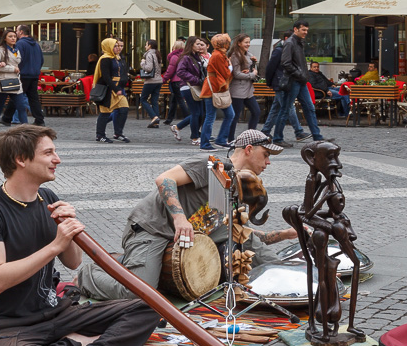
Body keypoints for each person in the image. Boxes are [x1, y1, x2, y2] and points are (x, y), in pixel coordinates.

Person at [0, 124, 159, 346]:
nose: (57, 159)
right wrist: (55, 245)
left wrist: (68, 226)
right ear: (21, 160)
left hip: (53, 314)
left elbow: (73, 262)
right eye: (48, 153)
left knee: (149, 305)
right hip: (3, 325)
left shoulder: (47, 197)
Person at [78, 129, 297, 302]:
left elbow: (237, 229)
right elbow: (164, 179)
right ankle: (88, 275)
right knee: (138, 293)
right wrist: (180, 218)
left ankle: (283, 279)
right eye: (266, 154)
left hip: (187, 237)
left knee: (241, 236)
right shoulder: (213, 165)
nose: (268, 162)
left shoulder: (238, 187)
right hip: (153, 229)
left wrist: (285, 234)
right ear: (248, 149)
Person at [278, 20, 325, 143]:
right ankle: (277, 137)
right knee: (285, 109)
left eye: (307, 30)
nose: (305, 32)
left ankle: (317, 136)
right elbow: (286, 63)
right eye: (303, 30)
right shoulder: (290, 43)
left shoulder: (298, 43)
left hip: (300, 80)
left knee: (309, 108)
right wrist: (299, 74)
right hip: (294, 80)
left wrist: (302, 76)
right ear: (295, 29)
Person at [261, 30, 308, 147]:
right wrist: (269, 82)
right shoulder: (279, 51)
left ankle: (265, 131)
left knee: (276, 108)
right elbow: (270, 67)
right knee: (288, 107)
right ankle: (298, 132)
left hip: (286, 83)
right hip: (281, 84)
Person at [200, 33, 236, 151]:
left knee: (223, 115)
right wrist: (230, 67)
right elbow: (225, 73)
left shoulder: (218, 54)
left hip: (213, 88)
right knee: (211, 117)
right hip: (214, 88)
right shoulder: (219, 56)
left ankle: (220, 139)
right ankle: (206, 143)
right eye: (227, 42)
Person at [91, 37, 131, 143]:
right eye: (115, 46)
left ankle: (118, 133)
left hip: (117, 88)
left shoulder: (117, 58)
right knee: (105, 112)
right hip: (108, 88)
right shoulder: (105, 59)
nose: (117, 48)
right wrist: (115, 88)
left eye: (118, 46)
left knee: (124, 108)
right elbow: (106, 77)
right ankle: (100, 135)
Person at [173, 36, 208, 145]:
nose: (200, 46)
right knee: (196, 113)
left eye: (201, 44)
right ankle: (194, 137)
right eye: (197, 44)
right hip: (188, 87)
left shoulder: (198, 57)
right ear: (191, 45)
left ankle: (178, 127)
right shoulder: (186, 57)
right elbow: (180, 71)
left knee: (201, 113)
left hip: (196, 86)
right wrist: (195, 80)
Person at [229, 33, 261, 136]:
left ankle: (250, 135)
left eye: (249, 42)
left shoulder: (249, 54)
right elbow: (236, 74)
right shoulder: (235, 56)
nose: (248, 44)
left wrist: (253, 68)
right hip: (238, 89)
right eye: (246, 42)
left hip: (248, 90)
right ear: (239, 43)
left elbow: (253, 70)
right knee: (235, 115)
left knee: (256, 112)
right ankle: (230, 138)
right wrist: (252, 74)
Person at [13, 25, 46, 126]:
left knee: (16, 95)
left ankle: (7, 116)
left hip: (24, 74)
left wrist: (19, 69)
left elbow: (18, 59)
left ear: (21, 32)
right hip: (34, 75)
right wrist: (36, 69)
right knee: (33, 98)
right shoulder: (36, 44)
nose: (15, 33)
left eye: (17, 31)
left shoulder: (20, 44)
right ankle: (39, 119)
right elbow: (41, 60)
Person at [161, 37, 187, 127]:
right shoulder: (185, 56)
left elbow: (170, 70)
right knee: (174, 100)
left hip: (176, 81)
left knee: (179, 100)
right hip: (183, 81)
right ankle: (169, 119)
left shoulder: (174, 57)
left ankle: (188, 118)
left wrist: (164, 79)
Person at [139, 39, 164, 128]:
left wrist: (142, 63)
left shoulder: (149, 54)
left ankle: (154, 117)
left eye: (146, 44)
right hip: (158, 80)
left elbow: (149, 68)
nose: (145, 46)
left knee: (143, 99)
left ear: (149, 46)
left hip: (151, 81)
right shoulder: (157, 54)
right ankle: (156, 122)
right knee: (154, 100)